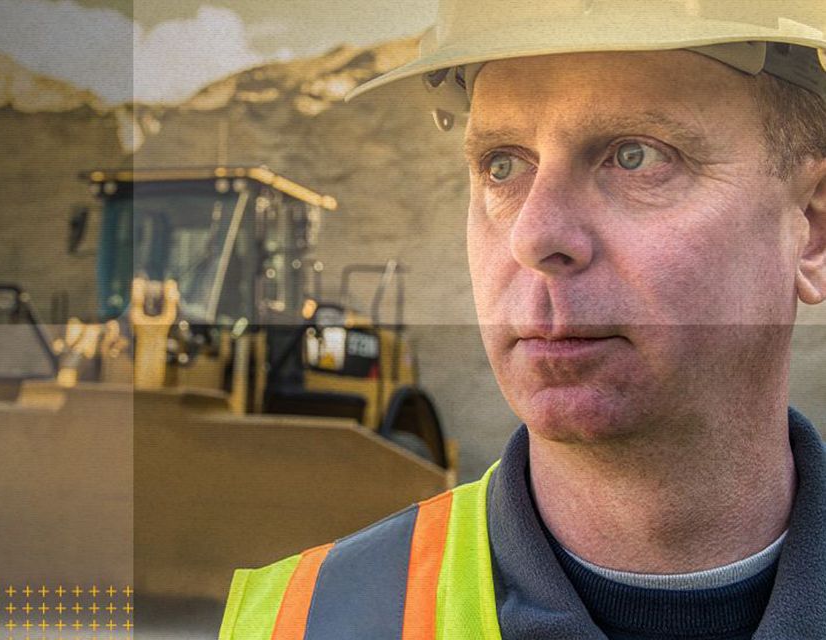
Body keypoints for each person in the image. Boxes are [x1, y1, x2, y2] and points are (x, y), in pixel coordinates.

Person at [218, 2, 826, 638]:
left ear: (810, 229)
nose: (533, 235)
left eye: (636, 156)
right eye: (502, 165)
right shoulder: (306, 620)